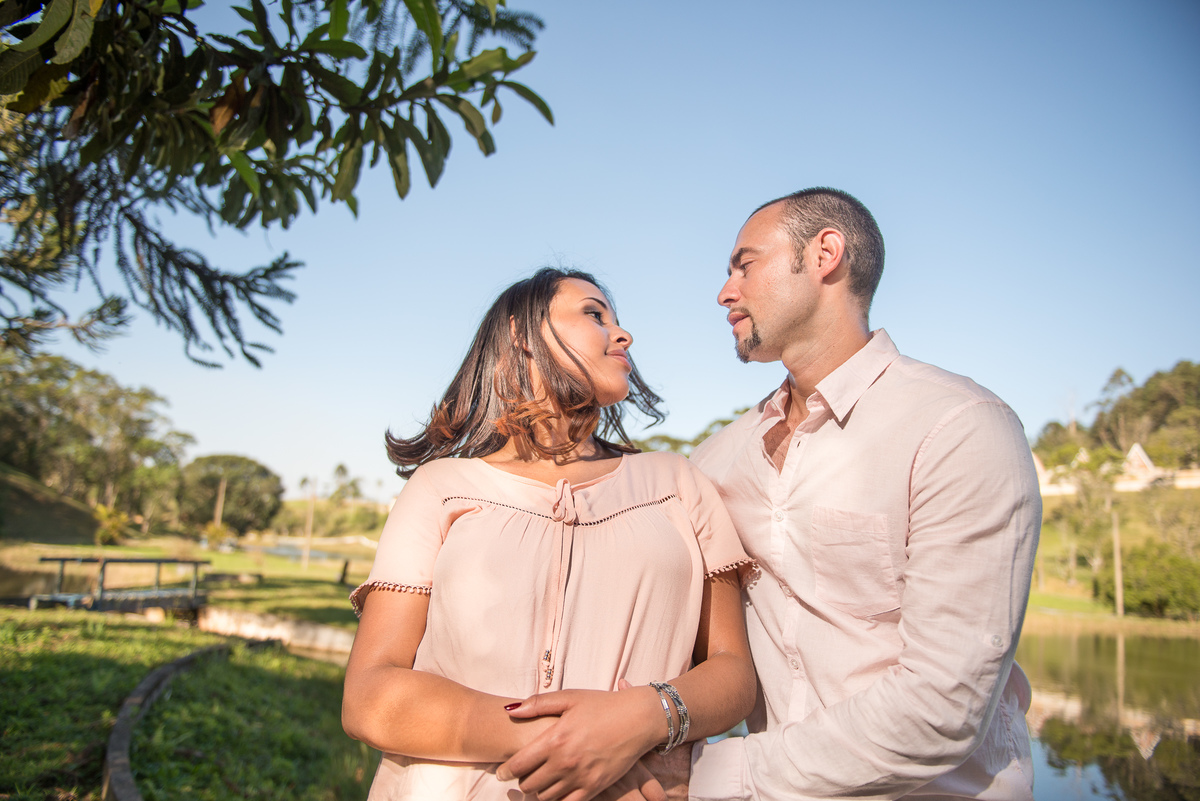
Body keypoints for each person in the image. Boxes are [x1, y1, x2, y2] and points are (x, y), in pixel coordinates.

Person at [342, 267, 757, 801]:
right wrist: (571, 742)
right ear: (523, 337)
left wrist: (643, 720)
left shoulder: (678, 482)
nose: (623, 334)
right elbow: (371, 692)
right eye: (594, 314)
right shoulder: (440, 488)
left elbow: (732, 673)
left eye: (616, 319)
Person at [686, 188, 1041, 800]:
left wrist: (716, 776)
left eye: (744, 265)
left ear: (826, 253)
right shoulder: (717, 459)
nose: (725, 292)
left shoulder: (958, 427)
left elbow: (941, 704)